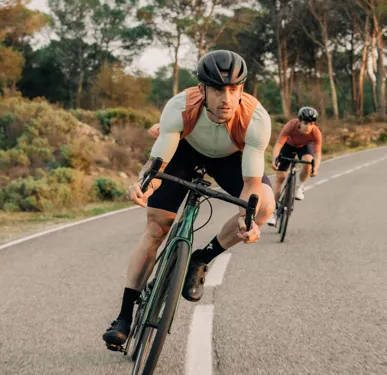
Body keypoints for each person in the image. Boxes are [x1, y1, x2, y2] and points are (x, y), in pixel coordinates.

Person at [102, 50, 275, 349]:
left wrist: (247, 222)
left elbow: (251, 184)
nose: (226, 98)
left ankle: (202, 258)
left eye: (233, 89)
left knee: (263, 207)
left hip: (231, 158)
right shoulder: (180, 106)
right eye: (217, 90)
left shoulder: (256, 119)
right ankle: (124, 317)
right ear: (202, 89)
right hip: (184, 151)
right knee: (156, 229)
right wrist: (143, 185)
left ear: (241, 89)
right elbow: (157, 165)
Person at [266, 107, 323, 227]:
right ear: (299, 122)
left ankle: (300, 187)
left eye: (311, 123)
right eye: (305, 123)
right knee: (280, 178)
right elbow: (278, 144)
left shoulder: (316, 132)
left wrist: (316, 168)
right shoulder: (291, 125)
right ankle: (273, 212)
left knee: (308, 161)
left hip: (304, 147)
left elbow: (317, 154)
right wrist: (275, 159)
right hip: (288, 146)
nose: (308, 126)